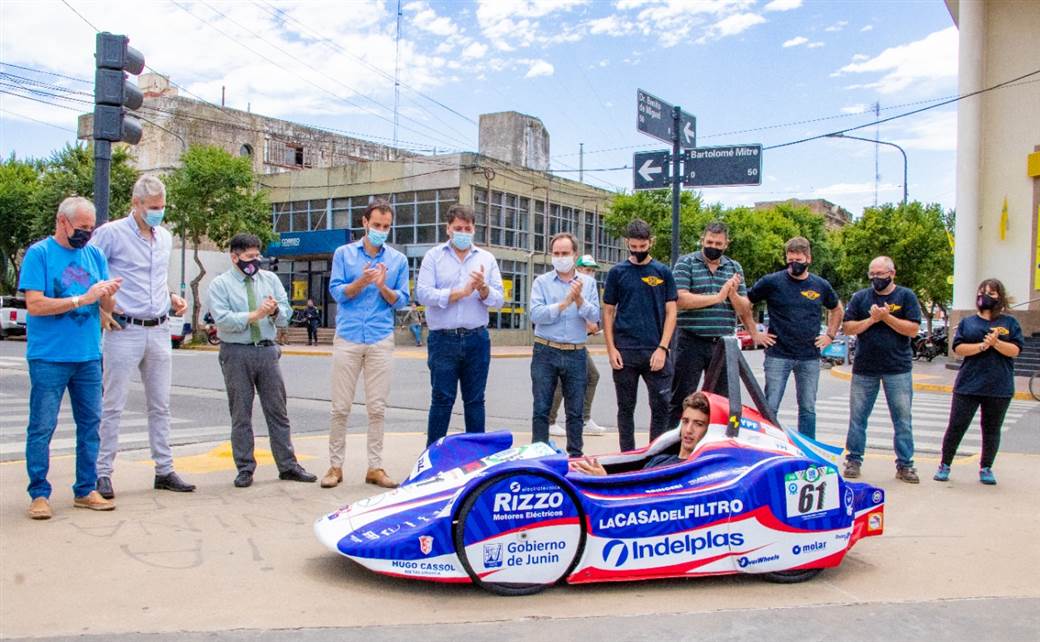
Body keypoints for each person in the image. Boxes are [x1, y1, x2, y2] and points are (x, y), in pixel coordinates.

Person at [89, 175, 195, 500]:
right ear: (136, 204)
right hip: (125, 328)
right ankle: (102, 473)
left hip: (159, 328)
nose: (158, 213)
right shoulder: (111, 234)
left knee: (160, 405)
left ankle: (164, 469)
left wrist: (171, 297)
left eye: (162, 207)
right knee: (113, 404)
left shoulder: (163, 237)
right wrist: (100, 308)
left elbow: (155, 278)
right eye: (153, 208)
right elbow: (82, 268)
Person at [19, 197, 122, 519]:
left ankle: (85, 489)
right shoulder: (40, 255)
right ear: (62, 222)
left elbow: (106, 307)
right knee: (42, 426)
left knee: (91, 425)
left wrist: (108, 299)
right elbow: (34, 305)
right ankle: (39, 493)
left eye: (91, 228)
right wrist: (82, 298)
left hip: (89, 355)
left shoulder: (94, 255)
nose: (87, 234)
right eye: (82, 228)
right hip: (49, 356)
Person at [207, 233, 316, 488]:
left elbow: (286, 315)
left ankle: (288, 465)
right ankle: (245, 467)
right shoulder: (220, 284)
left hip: (267, 350)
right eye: (249, 257)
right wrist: (255, 315)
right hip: (236, 351)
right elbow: (222, 319)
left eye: (257, 256)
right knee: (241, 413)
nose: (254, 261)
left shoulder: (270, 280)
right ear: (234, 257)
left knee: (278, 411)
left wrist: (276, 311)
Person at [322, 200, 409, 489]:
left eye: (386, 226)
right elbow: (338, 293)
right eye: (376, 225)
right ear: (364, 223)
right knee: (340, 407)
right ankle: (335, 466)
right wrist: (362, 281)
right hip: (347, 336)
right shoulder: (343, 254)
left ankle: (375, 467)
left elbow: (403, 301)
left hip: (380, 337)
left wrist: (382, 285)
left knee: (377, 408)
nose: (381, 231)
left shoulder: (397, 260)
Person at [416, 204, 504, 446]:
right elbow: (423, 294)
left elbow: (499, 299)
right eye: (458, 228)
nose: (463, 232)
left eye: (467, 228)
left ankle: (477, 458)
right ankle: (433, 457)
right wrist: (459, 292)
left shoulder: (486, 259)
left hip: (477, 338)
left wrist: (484, 290)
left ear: (474, 229)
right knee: (442, 399)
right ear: (448, 229)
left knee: (475, 400)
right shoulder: (434, 256)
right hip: (443, 339)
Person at [747, 236, 843, 439]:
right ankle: (768, 445)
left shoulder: (820, 285)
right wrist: (754, 333)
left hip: (809, 356)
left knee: (808, 408)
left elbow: (837, 308)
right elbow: (746, 302)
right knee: (770, 406)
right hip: (778, 354)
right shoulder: (772, 282)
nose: (794, 264)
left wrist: (830, 335)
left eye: (798, 260)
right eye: (790, 259)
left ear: (808, 258)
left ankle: (806, 449)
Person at [669, 221, 760, 428]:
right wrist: (718, 297)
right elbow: (681, 299)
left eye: (718, 243)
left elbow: (744, 308)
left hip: (722, 344)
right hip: (690, 340)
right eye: (710, 241)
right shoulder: (686, 263)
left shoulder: (734, 267)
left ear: (726, 244)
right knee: (681, 397)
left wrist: (733, 294)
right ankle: (674, 448)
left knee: (721, 401)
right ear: (703, 240)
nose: (713, 246)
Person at [841, 256, 922, 483]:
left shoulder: (906, 296)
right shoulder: (861, 298)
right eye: (872, 274)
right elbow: (848, 327)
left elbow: (913, 329)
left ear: (892, 273)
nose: (876, 278)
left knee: (902, 419)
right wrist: (871, 319)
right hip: (865, 368)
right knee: (857, 418)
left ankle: (905, 464)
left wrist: (887, 318)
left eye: (881, 274)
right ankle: (853, 460)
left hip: (898, 368)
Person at [935, 279, 1023, 485]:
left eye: (991, 293)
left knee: (991, 429)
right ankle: (945, 464)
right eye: (982, 292)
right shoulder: (968, 322)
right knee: (957, 426)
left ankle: (986, 467)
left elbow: (1016, 351)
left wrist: (996, 343)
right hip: (968, 384)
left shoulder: (1010, 323)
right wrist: (983, 346)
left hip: (999, 386)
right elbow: (958, 349)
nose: (985, 296)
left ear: (999, 297)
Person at [602, 219, 678, 452]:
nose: (637, 252)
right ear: (627, 243)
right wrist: (611, 348)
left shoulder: (662, 272)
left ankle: (656, 454)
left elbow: (671, 311)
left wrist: (663, 348)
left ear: (650, 243)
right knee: (625, 407)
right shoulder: (617, 272)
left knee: (661, 406)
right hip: (625, 352)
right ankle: (627, 456)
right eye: (633, 247)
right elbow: (608, 310)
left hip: (655, 351)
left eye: (642, 247)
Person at [529, 233, 601, 457]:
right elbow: (536, 314)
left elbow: (594, 315)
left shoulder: (587, 283)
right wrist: (563, 304)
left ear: (574, 255)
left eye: (565, 253)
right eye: (556, 253)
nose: (560, 258)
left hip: (575, 352)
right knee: (541, 408)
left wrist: (579, 300)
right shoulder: (541, 282)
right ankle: (538, 456)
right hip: (545, 349)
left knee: (575, 411)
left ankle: (575, 457)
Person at [569, 391, 711, 476]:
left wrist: (604, 480)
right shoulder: (659, 460)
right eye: (686, 421)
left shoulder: (696, 471)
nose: (689, 430)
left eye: (698, 424)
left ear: (709, 430)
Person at [549, 254, 606, 437]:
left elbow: (593, 318)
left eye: (592, 270)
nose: (590, 273)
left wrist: (590, 325)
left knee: (591, 376)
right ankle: (551, 421)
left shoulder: (589, 288)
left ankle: (583, 419)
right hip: (560, 342)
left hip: (578, 343)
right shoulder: (567, 285)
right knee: (560, 381)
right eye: (587, 269)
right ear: (578, 268)